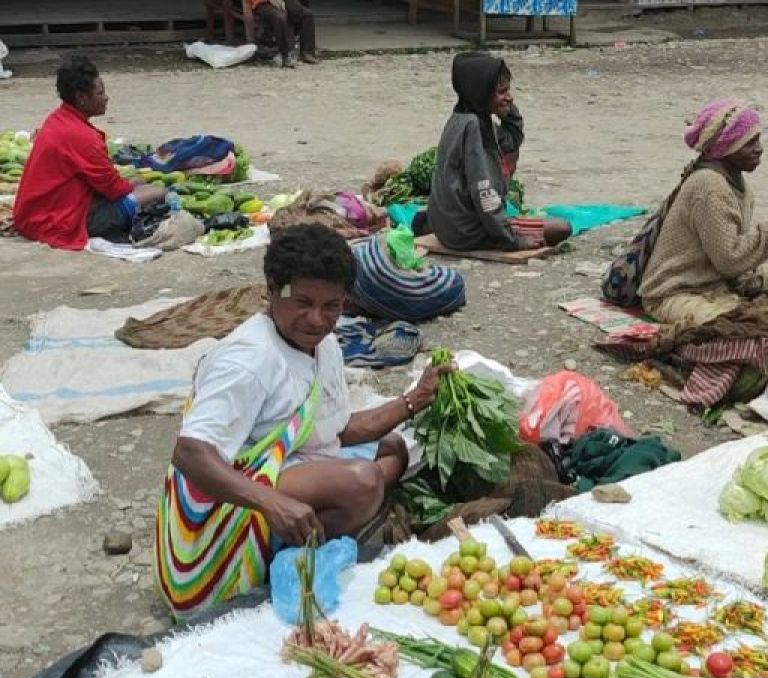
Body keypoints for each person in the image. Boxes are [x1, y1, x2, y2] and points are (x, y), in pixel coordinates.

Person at [155, 224, 452, 618]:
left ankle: (328, 517)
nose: (316, 319)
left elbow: (339, 429)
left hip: (288, 465)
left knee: (394, 448)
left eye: (331, 306)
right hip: (228, 501)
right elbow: (190, 454)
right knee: (364, 481)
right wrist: (272, 502)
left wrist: (415, 399)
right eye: (303, 302)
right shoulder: (249, 359)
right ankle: (282, 551)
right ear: (271, 288)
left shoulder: (324, 344)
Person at [636, 99, 768, 330]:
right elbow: (730, 260)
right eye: (749, 143)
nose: (759, 148)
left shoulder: (736, 184)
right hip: (676, 293)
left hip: (717, 281)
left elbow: (733, 255)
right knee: (742, 324)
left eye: (758, 139)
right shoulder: (709, 186)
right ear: (726, 149)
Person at [13, 56, 166, 250]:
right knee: (157, 192)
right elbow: (112, 189)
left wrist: (131, 183)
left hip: (36, 214)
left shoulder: (57, 118)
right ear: (82, 98)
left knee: (140, 185)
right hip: (57, 221)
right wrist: (133, 184)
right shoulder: (82, 136)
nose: (106, 97)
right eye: (100, 93)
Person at [426, 52, 571, 253]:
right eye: (501, 92)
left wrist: (507, 107)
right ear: (481, 93)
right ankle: (496, 236)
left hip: (451, 228)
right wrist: (512, 240)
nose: (509, 97)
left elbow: (511, 142)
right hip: (468, 233)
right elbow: (483, 192)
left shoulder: (465, 118)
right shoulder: (473, 126)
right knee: (561, 228)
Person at [251, 0, 317, 67]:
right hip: (262, 3)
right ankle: (286, 56)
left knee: (306, 14)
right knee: (280, 18)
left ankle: (307, 52)